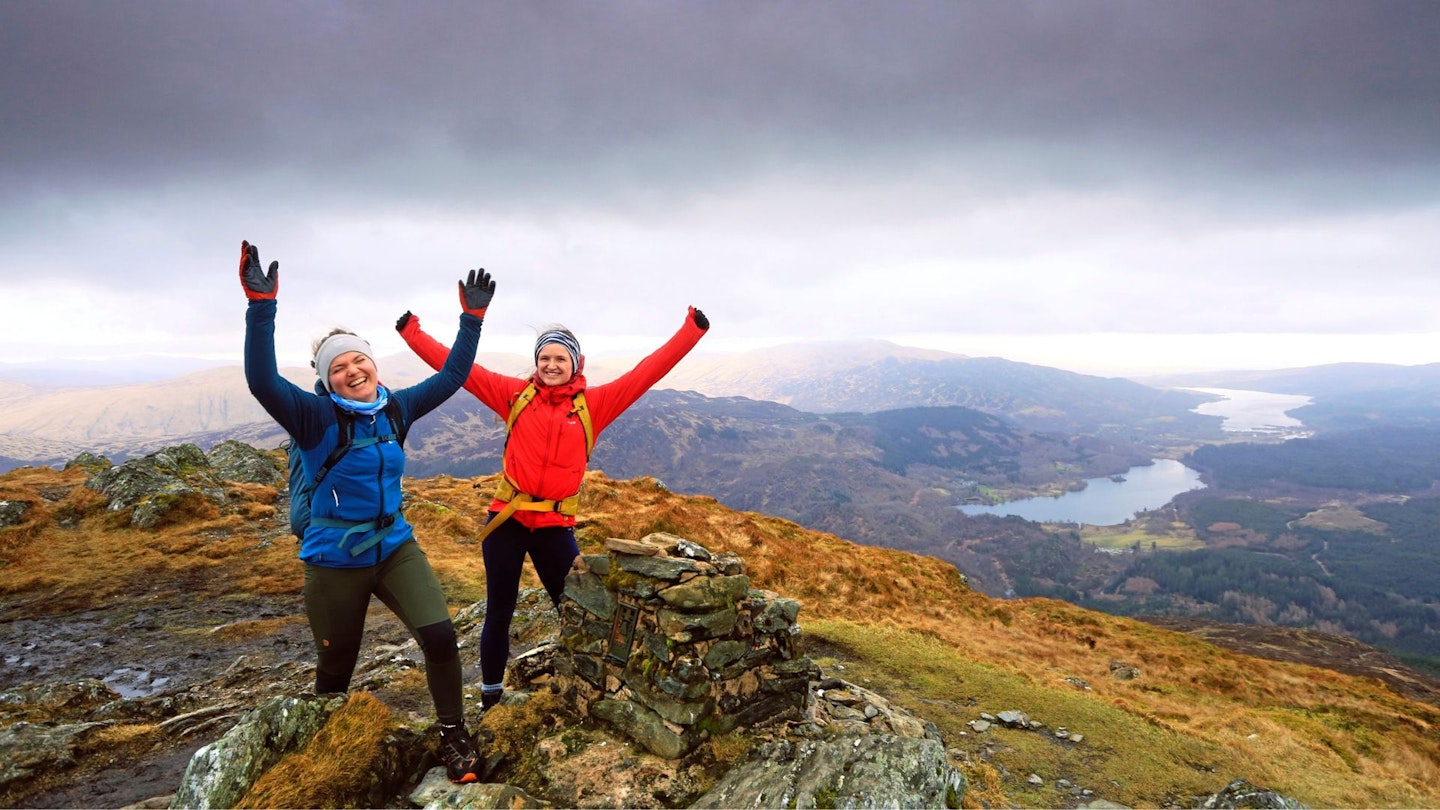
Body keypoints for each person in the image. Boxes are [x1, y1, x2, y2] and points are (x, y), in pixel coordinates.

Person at [238, 240, 493, 784]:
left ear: (373, 364)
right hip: (334, 558)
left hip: (394, 546)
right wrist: (262, 307)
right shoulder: (313, 418)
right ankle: (323, 754)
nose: (353, 372)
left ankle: (453, 734)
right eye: (340, 368)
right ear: (326, 379)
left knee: (442, 637)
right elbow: (262, 381)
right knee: (336, 667)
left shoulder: (394, 408)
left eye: (360, 360)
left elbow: (450, 379)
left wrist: (471, 319)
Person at [396, 302, 709, 709]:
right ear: (536, 362)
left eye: (560, 357)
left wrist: (692, 330)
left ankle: (587, 683)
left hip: (554, 525)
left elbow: (646, 373)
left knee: (574, 607)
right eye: (544, 357)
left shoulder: (594, 404)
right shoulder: (514, 395)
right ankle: (490, 696)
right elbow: (460, 368)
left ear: (576, 363)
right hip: (506, 519)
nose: (551, 364)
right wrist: (411, 332)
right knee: (500, 610)